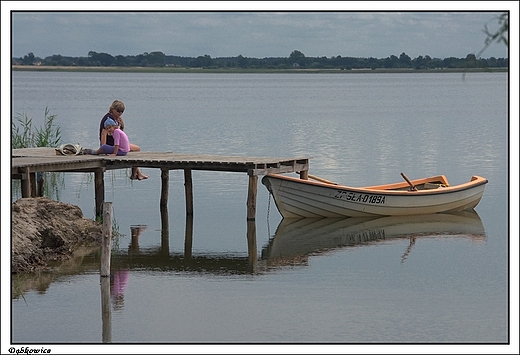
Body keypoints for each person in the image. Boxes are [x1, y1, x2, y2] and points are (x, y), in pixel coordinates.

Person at [99, 100, 148, 180]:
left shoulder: (116, 119)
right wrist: (103, 148)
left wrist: (122, 126)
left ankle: (137, 174)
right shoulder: (109, 120)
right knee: (136, 149)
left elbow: (120, 135)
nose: (120, 113)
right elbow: (104, 133)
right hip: (111, 144)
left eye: (122, 111)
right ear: (113, 109)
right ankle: (135, 174)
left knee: (136, 149)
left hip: (116, 143)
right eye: (118, 111)